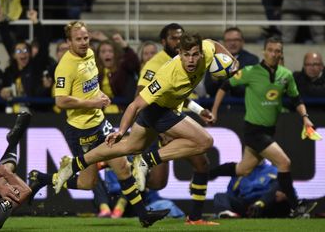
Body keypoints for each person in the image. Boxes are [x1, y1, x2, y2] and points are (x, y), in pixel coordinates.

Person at [54, 31, 239, 225]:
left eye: (194, 54)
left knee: (127, 148)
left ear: (201, 53)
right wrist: (121, 130)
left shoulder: (208, 52)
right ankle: (146, 161)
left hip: (167, 109)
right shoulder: (168, 75)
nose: (191, 60)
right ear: (179, 53)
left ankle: (74, 164)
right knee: (204, 141)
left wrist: (233, 61)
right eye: (186, 55)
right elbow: (135, 104)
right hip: (157, 110)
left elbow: (212, 42)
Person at [28, 20, 169, 228]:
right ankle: (43, 179)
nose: (84, 42)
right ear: (69, 41)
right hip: (80, 130)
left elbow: (89, 85)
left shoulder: (91, 54)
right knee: (88, 183)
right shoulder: (65, 67)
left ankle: (143, 215)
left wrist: (99, 95)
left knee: (123, 167)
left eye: (86, 38)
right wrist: (93, 102)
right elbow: (61, 100)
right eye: (79, 39)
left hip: (100, 123)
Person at [210, 37, 318, 218]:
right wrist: (214, 111)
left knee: (243, 169)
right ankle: (296, 206)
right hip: (253, 130)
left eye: (278, 51)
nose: (274, 54)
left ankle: (205, 174)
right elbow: (225, 85)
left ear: (281, 54)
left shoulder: (286, 75)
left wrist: (305, 118)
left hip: (269, 130)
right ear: (264, 52)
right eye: (271, 50)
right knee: (284, 163)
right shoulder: (251, 71)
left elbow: (296, 99)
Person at [135, 23, 217, 225]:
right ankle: (124, 172)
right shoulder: (156, 64)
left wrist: (199, 110)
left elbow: (179, 93)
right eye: (173, 38)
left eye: (180, 37)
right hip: (161, 122)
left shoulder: (188, 58)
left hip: (175, 119)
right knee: (159, 181)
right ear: (163, 41)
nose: (177, 41)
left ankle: (195, 218)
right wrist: (161, 129)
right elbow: (140, 95)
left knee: (201, 164)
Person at [213, 161, 292, 218]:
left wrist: (262, 203)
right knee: (220, 196)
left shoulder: (274, 170)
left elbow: (280, 190)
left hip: (267, 203)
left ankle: (259, 205)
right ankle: (227, 214)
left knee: (277, 186)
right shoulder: (240, 172)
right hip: (247, 205)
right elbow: (230, 195)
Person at [205, 27, 259, 98]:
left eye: (236, 40)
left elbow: (250, 88)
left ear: (242, 42)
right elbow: (208, 89)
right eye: (228, 40)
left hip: (241, 105)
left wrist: (228, 78)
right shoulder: (214, 59)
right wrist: (215, 80)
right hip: (220, 106)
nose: (232, 43)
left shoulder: (252, 60)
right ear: (223, 43)